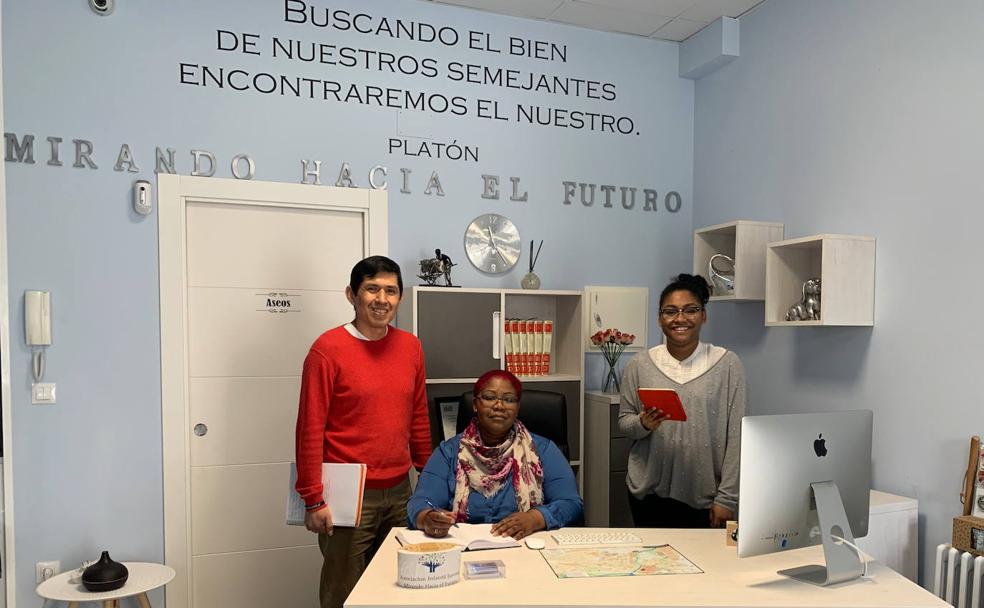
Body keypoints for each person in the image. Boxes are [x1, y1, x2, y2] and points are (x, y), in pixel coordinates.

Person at [295, 255, 431, 608]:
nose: (381, 299)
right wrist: (313, 498)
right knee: (345, 592)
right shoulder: (327, 350)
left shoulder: (410, 347)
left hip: (401, 490)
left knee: (400, 586)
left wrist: (429, 478)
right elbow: (310, 428)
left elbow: (417, 414)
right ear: (351, 295)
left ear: (400, 297)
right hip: (346, 494)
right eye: (371, 289)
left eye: (390, 290)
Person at [618, 273, 746, 529]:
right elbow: (624, 423)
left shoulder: (726, 364)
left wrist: (728, 498)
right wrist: (643, 424)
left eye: (690, 310)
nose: (680, 319)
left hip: (706, 498)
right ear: (659, 319)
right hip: (648, 493)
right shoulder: (640, 364)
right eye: (670, 311)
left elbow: (737, 436)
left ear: (703, 316)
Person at [407, 369, 582, 540]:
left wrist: (535, 518)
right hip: (465, 549)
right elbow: (420, 502)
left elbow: (571, 503)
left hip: (525, 547)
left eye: (509, 400)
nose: (499, 406)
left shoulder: (542, 450)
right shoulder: (449, 452)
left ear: (517, 407)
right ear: (475, 404)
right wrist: (427, 517)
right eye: (490, 398)